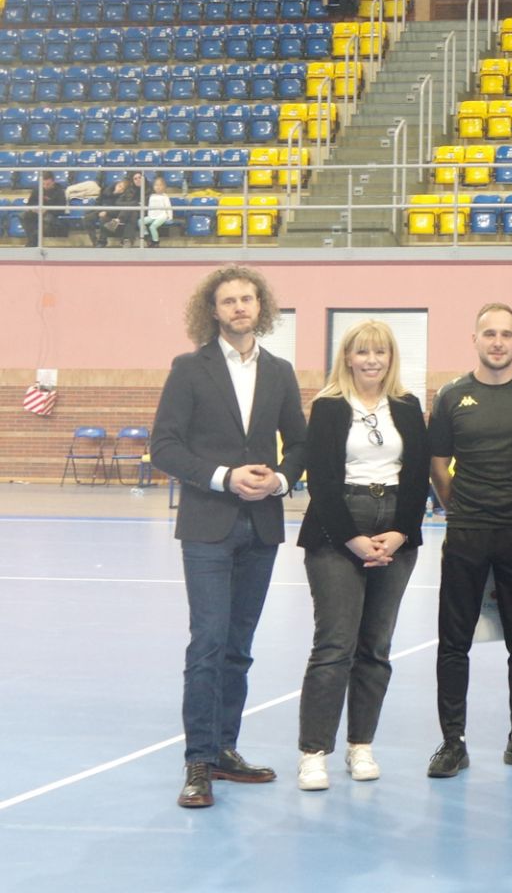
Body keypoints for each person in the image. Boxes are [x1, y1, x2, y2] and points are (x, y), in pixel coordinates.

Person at [151, 266, 307, 808]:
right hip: (207, 526)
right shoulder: (189, 369)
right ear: (213, 311)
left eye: (247, 298)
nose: (240, 307)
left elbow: (301, 445)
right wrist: (224, 476)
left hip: (261, 526)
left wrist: (280, 480)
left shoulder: (280, 371)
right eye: (229, 300)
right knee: (208, 643)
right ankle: (198, 761)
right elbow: (164, 447)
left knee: (238, 647)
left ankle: (224, 750)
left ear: (261, 307)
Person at [426, 303, 512, 778]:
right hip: (466, 533)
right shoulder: (451, 396)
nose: (498, 342)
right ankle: (452, 743)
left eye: (506, 334)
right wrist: (460, 509)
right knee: (453, 642)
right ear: (475, 339)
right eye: (489, 334)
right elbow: (437, 466)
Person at [294, 320, 429, 791]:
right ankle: (314, 753)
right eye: (363, 352)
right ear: (347, 358)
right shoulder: (328, 406)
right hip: (337, 529)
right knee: (335, 645)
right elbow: (320, 479)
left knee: (376, 647)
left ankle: (361, 745)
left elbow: (417, 476)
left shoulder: (408, 406)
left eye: (380, 352)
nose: (372, 360)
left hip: (395, 528)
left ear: (391, 358)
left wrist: (400, 532)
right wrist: (351, 538)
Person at [87, 174, 137, 247]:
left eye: (122, 189)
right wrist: (99, 210)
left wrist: (106, 212)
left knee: (103, 219)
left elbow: (117, 208)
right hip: (101, 209)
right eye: (119, 186)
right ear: (117, 184)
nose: (120, 189)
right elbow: (98, 202)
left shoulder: (121, 197)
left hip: (111, 212)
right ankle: (94, 241)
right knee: (87, 217)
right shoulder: (105, 190)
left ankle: (102, 241)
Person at [24, 173, 63, 248]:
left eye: (48, 184)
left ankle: (33, 242)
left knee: (47, 219)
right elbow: (29, 204)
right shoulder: (37, 190)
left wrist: (47, 210)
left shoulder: (60, 192)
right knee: (24, 216)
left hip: (52, 215)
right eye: (43, 184)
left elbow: (61, 209)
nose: (45, 186)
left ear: (53, 182)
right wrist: (34, 209)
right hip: (37, 213)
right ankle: (32, 241)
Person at [140, 177, 174, 247]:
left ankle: (156, 242)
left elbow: (168, 207)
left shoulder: (165, 196)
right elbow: (150, 207)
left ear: (163, 186)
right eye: (156, 185)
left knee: (152, 227)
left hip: (162, 216)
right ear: (153, 186)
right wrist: (149, 215)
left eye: (160, 185)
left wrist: (170, 217)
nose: (158, 187)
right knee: (140, 221)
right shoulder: (152, 196)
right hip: (152, 215)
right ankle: (146, 235)